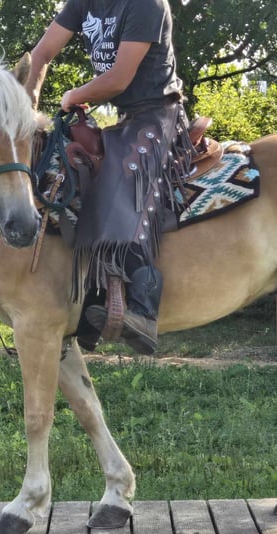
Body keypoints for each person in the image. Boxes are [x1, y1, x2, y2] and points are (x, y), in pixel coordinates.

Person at [26, 0, 192, 354]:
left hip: (159, 115)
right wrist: (26, 108)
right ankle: (93, 299)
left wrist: (74, 95)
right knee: (74, 173)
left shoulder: (146, 4)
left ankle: (143, 309)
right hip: (126, 120)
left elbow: (118, 78)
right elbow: (41, 54)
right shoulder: (82, 3)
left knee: (124, 179)